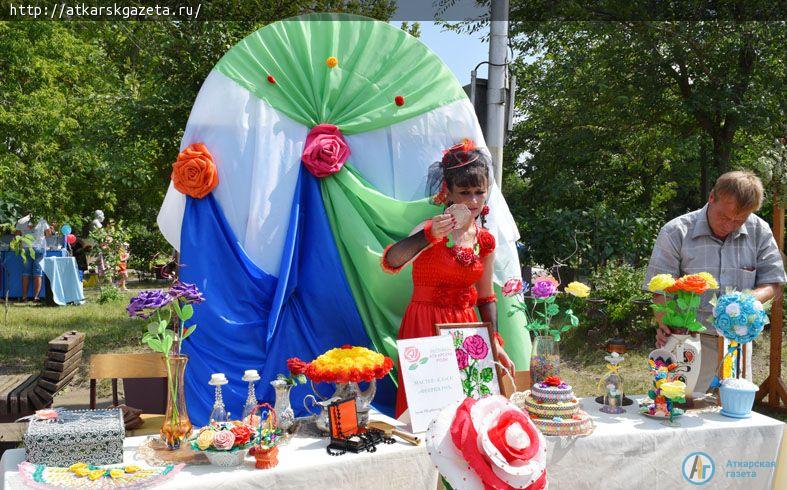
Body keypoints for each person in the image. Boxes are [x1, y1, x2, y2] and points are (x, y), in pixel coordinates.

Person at [381, 138, 514, 417]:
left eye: (480, 191)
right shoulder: (429, 229)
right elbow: (392, 261)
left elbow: (487, 297)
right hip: (425, 325)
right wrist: (429, 236)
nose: (474, 201)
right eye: (465, 192)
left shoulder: (485, 241)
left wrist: (495, 343)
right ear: (448, 193)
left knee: (470, 411)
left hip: (468, 330)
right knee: (427, 413)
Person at [644, 171, 786, 393]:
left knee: (733, 415)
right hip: (687, 342)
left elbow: (774, 284)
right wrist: (663, 322)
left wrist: (743, 302)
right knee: (681, 407)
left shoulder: (759, 231)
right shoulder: (676, 232)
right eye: (724, 216)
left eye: (739, 220)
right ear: (712, 197)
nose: (730, 225)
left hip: (736, 344)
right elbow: (659, 291)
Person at [15, 213, 53, 302]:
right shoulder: (42, 220)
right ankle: (36, 297)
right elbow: (48, 234)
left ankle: (24, 297)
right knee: (38, 273)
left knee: (25, 273)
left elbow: (17, 235)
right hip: (39, 248)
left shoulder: (21, 221)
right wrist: (50, 229)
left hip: (26, 248)